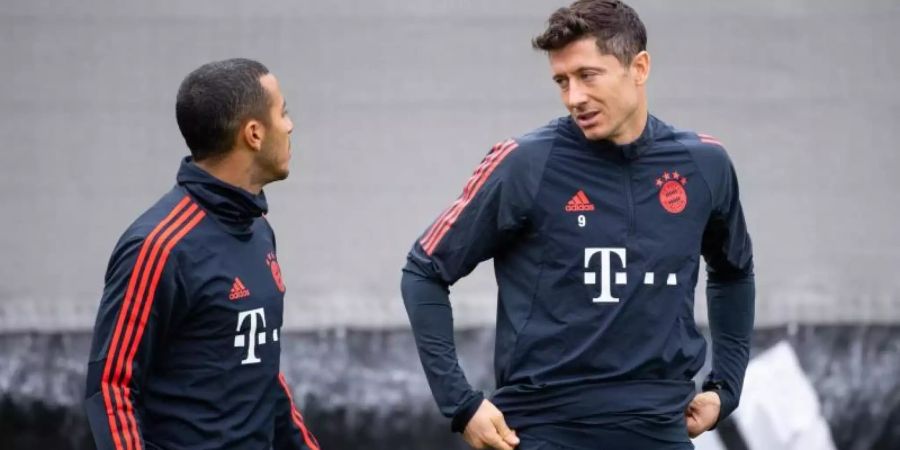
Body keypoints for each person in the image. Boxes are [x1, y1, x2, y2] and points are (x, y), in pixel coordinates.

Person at [400, 1, 755, 449]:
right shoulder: (525, 163)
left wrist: (726, 387)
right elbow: (424, 271)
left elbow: (733, 270)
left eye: (588, 75)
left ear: (639, 67)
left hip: (661, 431)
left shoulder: (704, 164)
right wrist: (462, 403)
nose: (574, 97)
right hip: (544, 431)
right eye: (561, 81)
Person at [83, 59, 320, 450]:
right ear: (254, 134)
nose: (290, 125)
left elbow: (261, 376)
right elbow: (111, 389)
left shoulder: (259, 231)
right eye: (283, 112)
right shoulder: (158, 246)